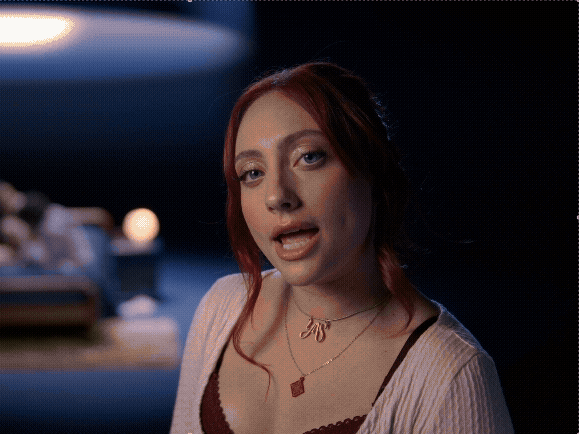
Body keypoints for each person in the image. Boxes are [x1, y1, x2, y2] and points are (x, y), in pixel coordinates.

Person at [170, 63, 513, 434]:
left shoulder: (450, 375)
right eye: (253, 172)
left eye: (309, 157)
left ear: (373, 169)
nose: (277, 196)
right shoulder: (220, 309)